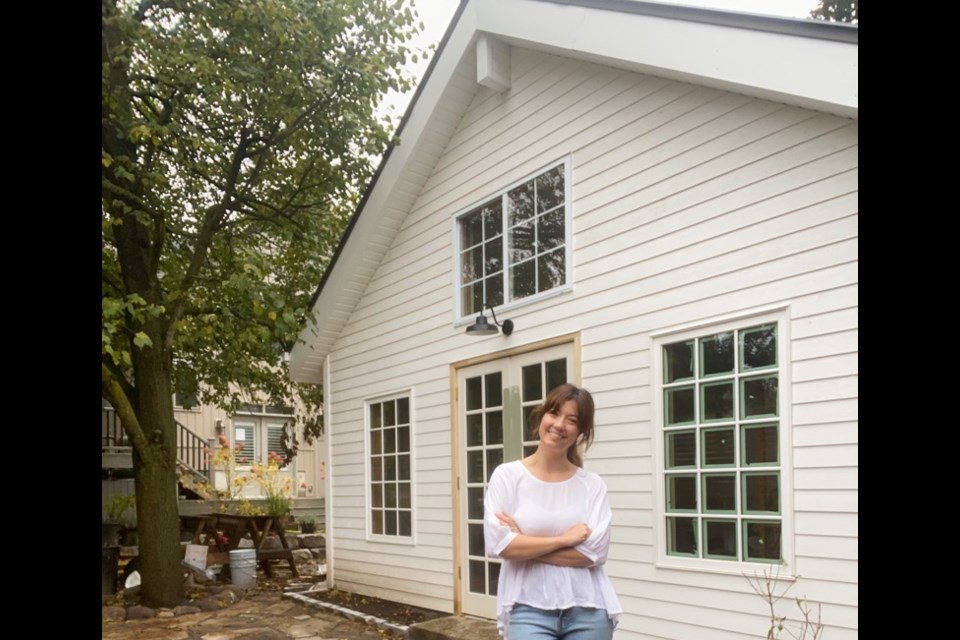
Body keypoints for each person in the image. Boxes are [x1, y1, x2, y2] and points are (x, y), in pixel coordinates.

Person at [484, 383, 622, 640]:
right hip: (526, 609)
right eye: (554, 413)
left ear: (581, 432)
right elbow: (498, 544)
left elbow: (595, 553)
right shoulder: (508, 476)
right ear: (542, 416)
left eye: (572, 420)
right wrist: (565, 540)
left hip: (590, 610)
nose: (559, 425)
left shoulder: (592, 485)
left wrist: (525, 545)